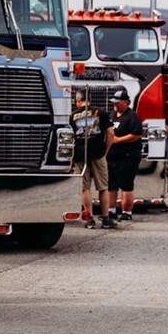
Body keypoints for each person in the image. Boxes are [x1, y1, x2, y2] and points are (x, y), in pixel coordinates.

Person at [71, 90, 115, 228]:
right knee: (103, 187)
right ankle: (106, 218)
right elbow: (111, 133)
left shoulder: (72, 115)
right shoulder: (101, 112)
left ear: (78, 101)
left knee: (85, 188)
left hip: (79, 154)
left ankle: (89, 219)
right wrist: (105, 151)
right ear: (90, 99)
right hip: (98, 153)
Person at [107, 86, 143, 221]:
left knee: (126, 185)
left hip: (127, 156)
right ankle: (111, 211)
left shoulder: (132, 116)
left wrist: (119, 140)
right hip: (112, 157)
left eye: (118, 102)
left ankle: (127, 212)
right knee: (111, 186)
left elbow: (137, 134)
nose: (115, 105)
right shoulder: (112, 115)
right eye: (114, 102)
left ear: (126, 102)